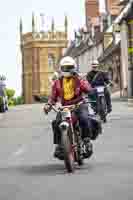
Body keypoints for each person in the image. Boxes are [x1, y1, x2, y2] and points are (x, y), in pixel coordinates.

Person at [44, 56, 94, 159]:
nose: (67, 70)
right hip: (65, 107)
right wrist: (48, 104)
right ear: (61, 68)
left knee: (84, 118)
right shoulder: (57, 82)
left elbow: (88, 88)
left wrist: (83, 83)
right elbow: (53, 96)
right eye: (65, 68)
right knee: (56, 122)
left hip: (79, 104)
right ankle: (59, 145)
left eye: (69, 67)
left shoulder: (79, 79)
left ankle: (87, 141)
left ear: (74, 67)